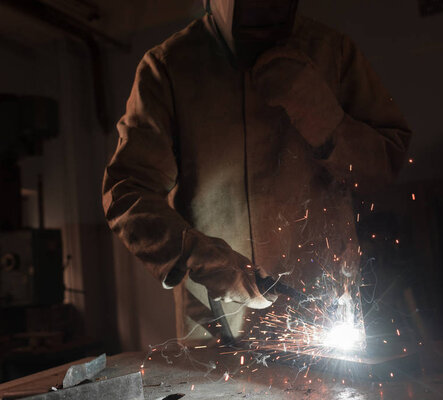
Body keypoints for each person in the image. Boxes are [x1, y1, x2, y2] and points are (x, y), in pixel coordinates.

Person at [102, 0, 411, 342]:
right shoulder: (169, 67)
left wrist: (325, 119)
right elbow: (127, 192)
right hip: (219, 323)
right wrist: (196, 254)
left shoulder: (332, 54)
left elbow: (384, 166)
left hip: (323, 319)